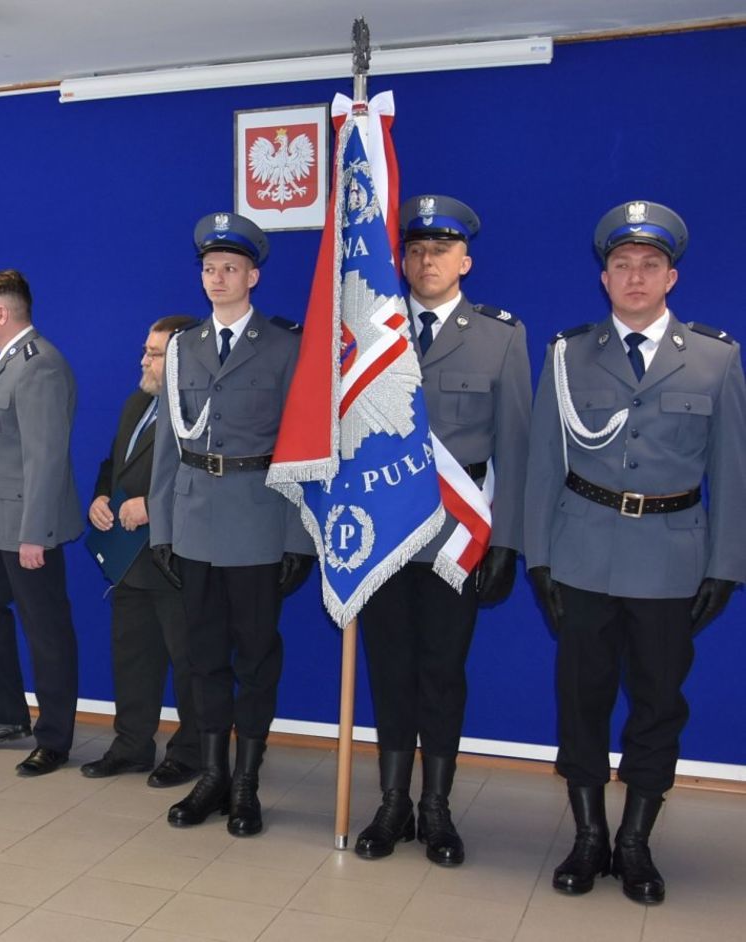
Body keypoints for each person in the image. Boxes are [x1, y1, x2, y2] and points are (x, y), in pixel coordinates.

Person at [526, 201, 746, 904]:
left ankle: (635, 843)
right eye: (622, 264)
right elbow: (544, 462)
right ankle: (590, 837)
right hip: (583, 552)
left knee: (658, 703)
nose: (636, 276)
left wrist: (726, 565)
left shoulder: (715, 358)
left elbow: (732, 469)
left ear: (671, 277)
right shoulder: (568, 355)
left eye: (650, 265)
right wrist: (538, 558)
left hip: (671, 560)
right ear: (604, 277)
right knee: (581, 700)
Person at [354, 195, 531, 866]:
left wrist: (507, 541)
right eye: (416, 250)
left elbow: (515, 445)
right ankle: (392, 803)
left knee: (442, 672)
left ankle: (436, 807)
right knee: (389, 670)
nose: (427, 261)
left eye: (441, 250)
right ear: (402, 260)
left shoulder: (500, 336)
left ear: (465, 262)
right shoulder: (369, 331)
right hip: (382, 532)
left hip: (458, 536)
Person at [148, 212, 316, 837]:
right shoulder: (183, 347)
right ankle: (213, 775)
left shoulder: (285, 345)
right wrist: (162, 528)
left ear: (253, 276)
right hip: (194, 521)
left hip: (259, 521)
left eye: (230, 268)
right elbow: (169, 445)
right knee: (203, 657)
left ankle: (246, 782)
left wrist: (298, 536)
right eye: (209, 268)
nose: (217, 278)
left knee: (255, 658)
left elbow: (302, 449)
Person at [0, 269, 83, 777]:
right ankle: (7, 716)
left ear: (3, 313)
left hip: (29, 527)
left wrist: (35, 534)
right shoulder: (12, 361)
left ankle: (54, 740)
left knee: (46, 630)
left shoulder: (39, 366)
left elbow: (46, 459)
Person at [82, 314, 200, 788]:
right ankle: (132, 745)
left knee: (189, 661)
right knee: (132, 656)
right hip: (129, 560)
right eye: (146, 351)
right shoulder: (137, 402)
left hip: (177, 559)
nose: (143, 361)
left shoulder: (198, 409)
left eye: (154, 354)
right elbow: (114, 462)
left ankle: (191, 752)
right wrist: (100, 497)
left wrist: (153, 507)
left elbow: (205, 478)